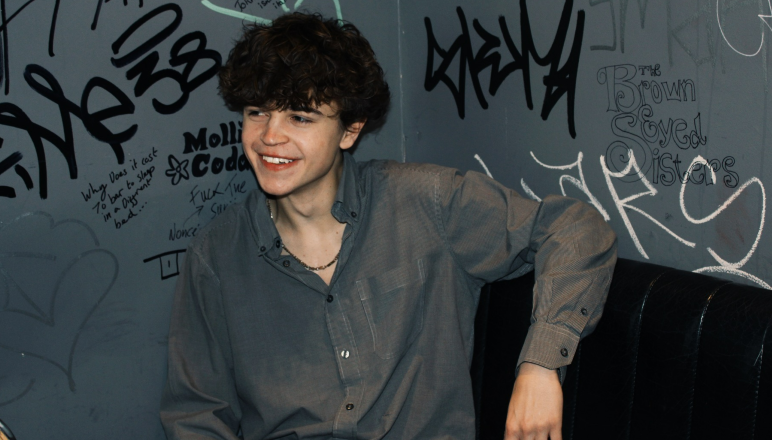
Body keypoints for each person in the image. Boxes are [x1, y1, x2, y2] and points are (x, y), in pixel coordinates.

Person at [160, 12, 617, 440]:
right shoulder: (218, 254)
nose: (269, 136)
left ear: (350, 130)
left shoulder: (426, 203)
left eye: (300, 117)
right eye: (257, 111)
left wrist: (539, 365)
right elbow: (197, 415)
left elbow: (576, 230)